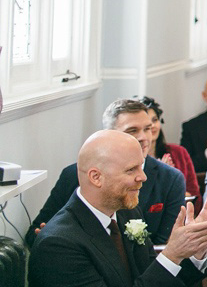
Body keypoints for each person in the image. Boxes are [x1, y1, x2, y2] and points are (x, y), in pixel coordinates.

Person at [28, 130, 207, 287]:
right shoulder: (58, 244)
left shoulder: (127, 212)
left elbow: (156, 279)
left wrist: (196, 249)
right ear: (96, 177)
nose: (143, 177)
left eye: (141, 166)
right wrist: (172, 254)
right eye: (131, 170)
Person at [28, 99, 186, 246]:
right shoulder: (75, 174)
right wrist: (49, 237)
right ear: (109, 134)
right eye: (132, 131)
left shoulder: (171, 178)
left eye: (147, 129)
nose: (143, 137)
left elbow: (166, 243)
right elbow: (36, 232)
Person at [138, 95, 200, 198]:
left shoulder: (179, 152)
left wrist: (173, 178)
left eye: (155, 120)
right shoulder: (133, 159)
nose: (152, 126)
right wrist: (162, 176)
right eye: (146, 123)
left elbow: (194, 194)